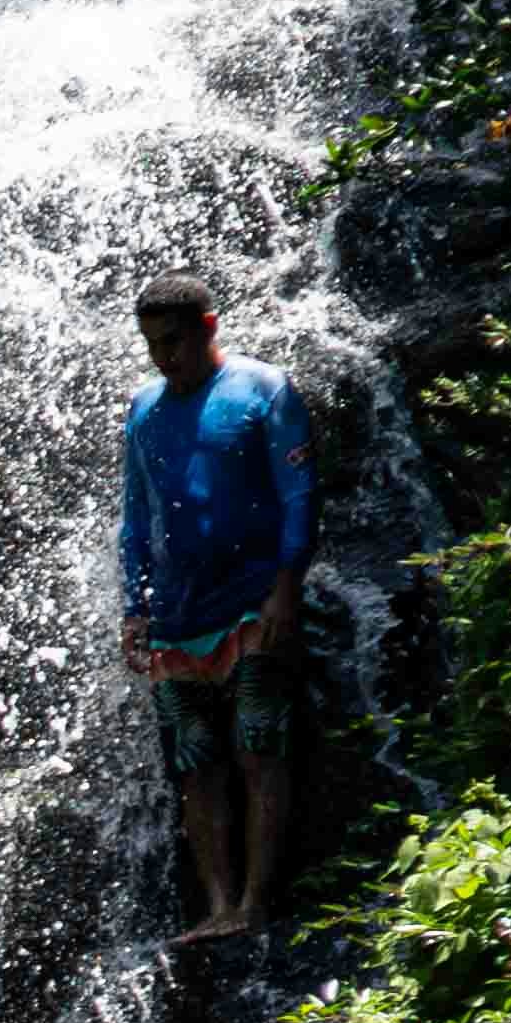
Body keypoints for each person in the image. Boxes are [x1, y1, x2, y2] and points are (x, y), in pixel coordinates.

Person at [119, 272, 315, 941]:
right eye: (151, 345)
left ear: (209, 327)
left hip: (252, 603)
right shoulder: (144, 410)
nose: (163, 357)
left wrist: (287, 589)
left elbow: (298, 495)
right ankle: (216, 905)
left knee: (259, 745)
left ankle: (254, 902)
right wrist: (132, 607)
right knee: (195, 763)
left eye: (174, 341)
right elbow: (133, 518)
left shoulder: (264, 390)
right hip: (176, 615)